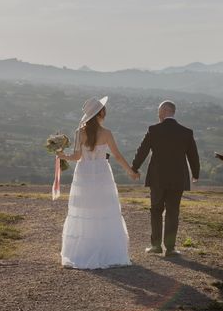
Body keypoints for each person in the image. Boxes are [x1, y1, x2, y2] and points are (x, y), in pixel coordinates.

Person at [56, 96, 139, 269]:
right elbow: (117, 155)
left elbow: (77, 156)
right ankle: (107, 251)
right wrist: (130, 171)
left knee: (85, 208)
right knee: (103, 208)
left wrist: (62, 156)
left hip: (84, 173)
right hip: (102, 174)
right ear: (101, 113)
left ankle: (83, 251)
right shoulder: (107, 133)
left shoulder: (80, 132)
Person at [131, 100, 200, 257]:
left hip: (157, 177)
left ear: (165, 110)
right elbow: (193, 156)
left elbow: (142, 151)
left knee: (156, 210)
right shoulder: (186, 132)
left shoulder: (153, 130)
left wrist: (134, 167)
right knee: (173, 212)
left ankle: (156, 246)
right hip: (178, 178)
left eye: (159, 110)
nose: (158, 114)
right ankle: (170, 248)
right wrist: (195, 173)